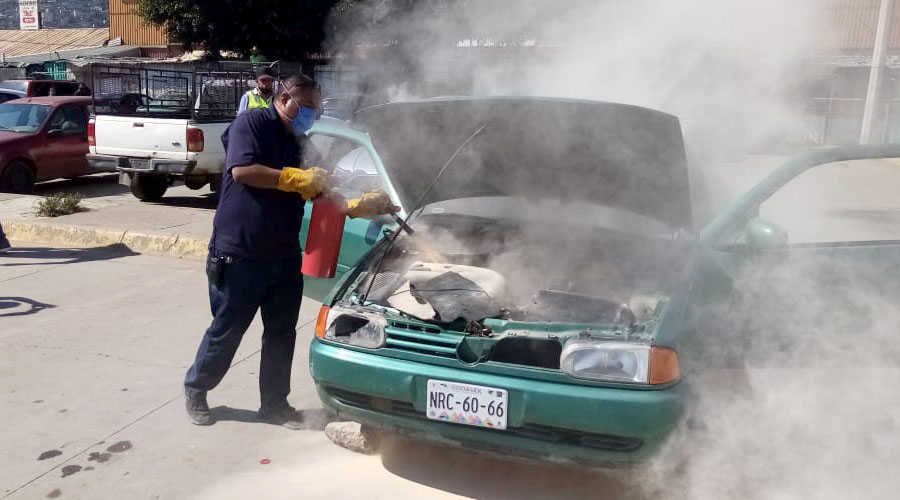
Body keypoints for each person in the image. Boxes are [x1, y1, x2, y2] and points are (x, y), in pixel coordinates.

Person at [183, 74, 395, 429]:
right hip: (241, 252)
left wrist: (358, 205)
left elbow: (318, 191)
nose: (310, 114)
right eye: (307, 106)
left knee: (281, 332)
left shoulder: (297, 141)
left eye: (316, 108)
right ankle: (196, 387)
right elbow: (243, 171)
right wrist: (292, 178)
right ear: (284, 98)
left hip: (283, 252)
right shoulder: (250, 123)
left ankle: (275, 405)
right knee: (228, 328)